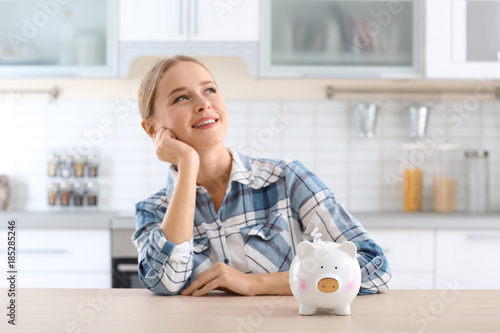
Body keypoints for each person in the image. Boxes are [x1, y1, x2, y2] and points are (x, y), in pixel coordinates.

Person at [132, 55, 391, 296]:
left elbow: (373, 269)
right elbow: (166, 281)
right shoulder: (154, 210)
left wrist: (255, 284)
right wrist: (188, 163)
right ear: (151, 128)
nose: (204, 104)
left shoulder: (287, 179)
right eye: (181, 98)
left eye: (209, 90)